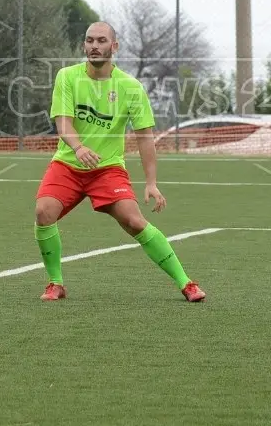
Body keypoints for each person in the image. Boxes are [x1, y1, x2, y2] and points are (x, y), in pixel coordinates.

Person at [34, 21, 206, 303]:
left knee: (135, 221)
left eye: (101, 40)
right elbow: (62, 122)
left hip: (108, 169)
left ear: (114, 46)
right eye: (89, 40)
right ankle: (55, 284)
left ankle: (186, 283)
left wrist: (151, 182)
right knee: (43, 211)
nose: (94, 46)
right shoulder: (67, 76)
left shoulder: (131, 87)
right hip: (68, 164)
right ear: (84, 45)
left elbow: (145, 137)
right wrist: (77, 148)